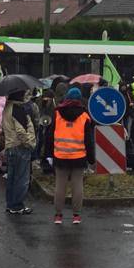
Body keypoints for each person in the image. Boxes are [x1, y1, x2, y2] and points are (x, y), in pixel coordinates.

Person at [45, 87, 94, 224]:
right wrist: (91, 158)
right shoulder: (85, 116)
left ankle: (58, 216)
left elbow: (49, 135)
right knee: (77, 186)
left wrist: (48, 155)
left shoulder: (57, 114)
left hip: (60, 156)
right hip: (78, 157)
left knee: (60, 186)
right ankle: (76, 216)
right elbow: (88, 140)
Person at [3, 90, 37, 215]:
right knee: (22, 179)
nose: (25, 97)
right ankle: (17, 205)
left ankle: (10, 204)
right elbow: (21, 131)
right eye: (24, 94)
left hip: (10, 146)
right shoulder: (17, 109)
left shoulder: (7, 107)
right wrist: (30, 143)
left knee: (12, 178)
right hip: (20, 147)